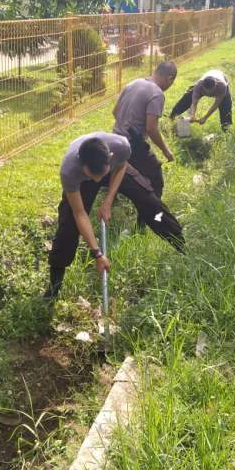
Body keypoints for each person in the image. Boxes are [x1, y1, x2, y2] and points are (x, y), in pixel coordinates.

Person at [44, 133, 184, 299]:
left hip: (113, 170)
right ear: (83, 167)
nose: (97, 181)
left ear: (110, 158)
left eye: (101, 175)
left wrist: (108, 201)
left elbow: (121, 166)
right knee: (69, 226)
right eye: (92, 176)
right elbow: (79, 213)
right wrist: (97, 253)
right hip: (83, 180)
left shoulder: (121, 147)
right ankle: (54, 289)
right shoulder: (70, 172)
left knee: (150, 202)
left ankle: (183, 245)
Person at [112, 61, 177, 198]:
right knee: (155, 176)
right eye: (172, 83)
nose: (170, 86)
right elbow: (151, 128)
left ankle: (117, 197)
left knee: (124, 171)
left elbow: (115, 111)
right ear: (169, 78)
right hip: (132, 143)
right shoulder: (157, 94)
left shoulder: (133, 83)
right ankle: (153, 214)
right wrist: (166, 151)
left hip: (114, 139)